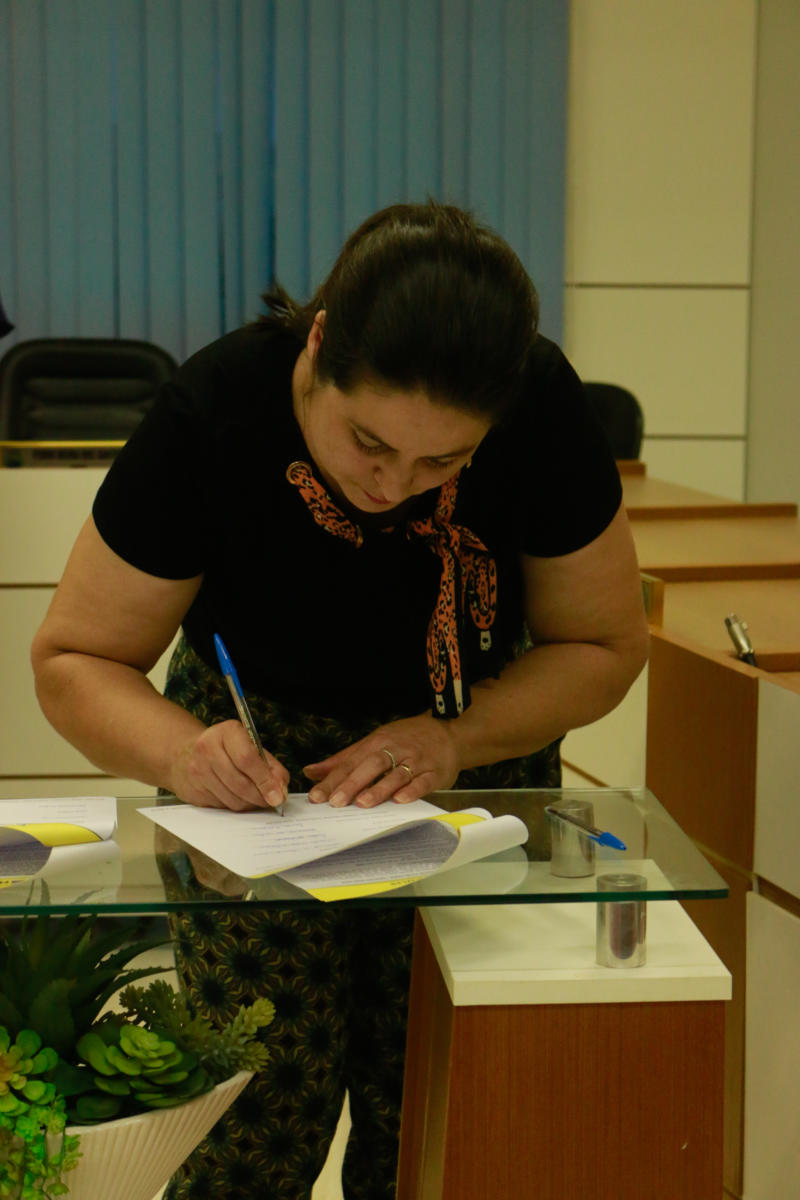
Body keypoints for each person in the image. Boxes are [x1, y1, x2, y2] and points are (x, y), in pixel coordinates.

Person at [31, 201, 648, 1199]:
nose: (394, 485)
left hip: (471, 751)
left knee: (441, 1102)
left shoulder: (539, 409)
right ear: (317, 345)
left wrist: (455, 738)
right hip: (252, 771)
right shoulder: (216, 411)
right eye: (367, 441)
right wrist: (184, 754)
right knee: (258, 1105)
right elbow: (74, 658)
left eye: (442, 462)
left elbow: (604, 646)